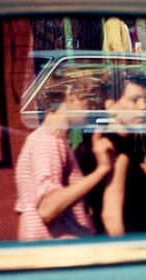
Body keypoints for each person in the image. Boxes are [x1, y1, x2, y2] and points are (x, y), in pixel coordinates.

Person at [15, 71, 114, 241]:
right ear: (69, 94)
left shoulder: (54, 140)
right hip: (57, 257)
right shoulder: (47, 142)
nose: (90, 108)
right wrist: (101, 170)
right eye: (87, 99)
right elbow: (47, 208)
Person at [76, 73, 146, 236]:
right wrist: (124, 256)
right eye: (134, 100)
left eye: (144, 99)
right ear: (110, 105)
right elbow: (111, 217)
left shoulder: (117, 143)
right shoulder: (114, 149)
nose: (143, 106)